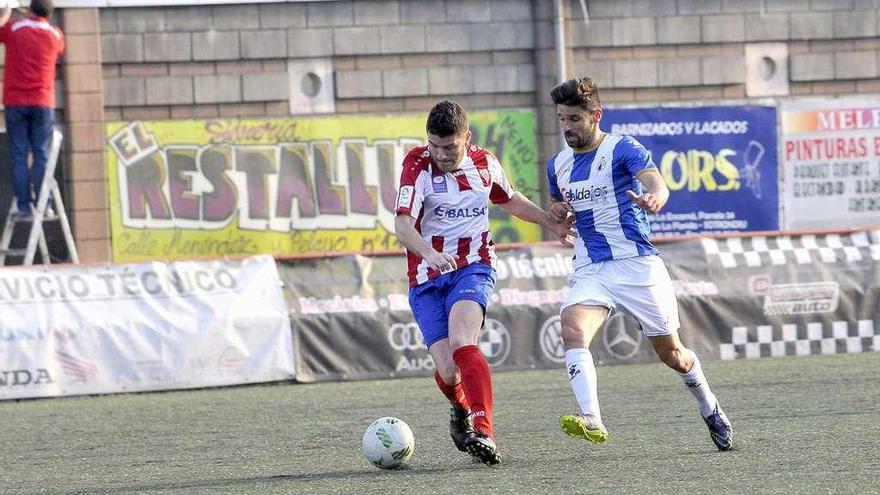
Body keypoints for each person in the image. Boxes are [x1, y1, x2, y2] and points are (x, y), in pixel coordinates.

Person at [545, 76, 733, 451]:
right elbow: (559, 210)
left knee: (673, 355)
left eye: (574, 120)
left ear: (595, 115)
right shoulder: (558, 165)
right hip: (591, 267)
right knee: (572, 327)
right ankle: (592, 418)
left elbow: (656, 181)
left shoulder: (622, 148)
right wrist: (557, 214)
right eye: (562, 119)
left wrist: (655, 196)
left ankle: (709, 406)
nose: (567, 128)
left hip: (636, 265)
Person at [394, 100, 572, 465]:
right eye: (434, 145)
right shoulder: (416, 164)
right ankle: (460, 410)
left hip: (474, 266)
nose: (440, 154)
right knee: (447, 370)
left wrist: (548, 221)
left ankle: (485, 431)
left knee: (463, 341)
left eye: (449, 146)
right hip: (426, 277)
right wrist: (428, 253)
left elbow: (509, 199)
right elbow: (402, 224)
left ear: (467, 138)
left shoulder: (484, 163)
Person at [0, 0, 64, 219]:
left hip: (15, 101)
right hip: (43, 102)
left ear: (29, 9)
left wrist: (7, 12)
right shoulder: (55, 35)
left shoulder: (15, 28)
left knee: (19, 155)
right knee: (41, 155)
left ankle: (24, 205)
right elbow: (60, 50)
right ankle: (44, 204)